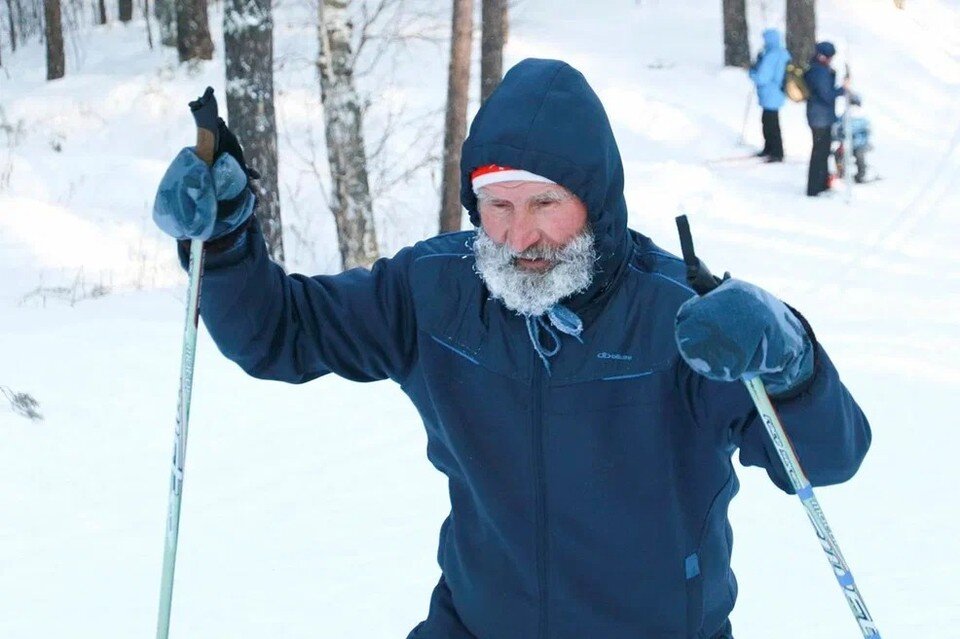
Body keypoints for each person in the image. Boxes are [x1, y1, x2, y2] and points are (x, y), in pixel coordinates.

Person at [153, 59, 871, 639]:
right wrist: (221, 246)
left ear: (597, 199)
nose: (520, 235)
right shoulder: (434, 290)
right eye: (498, 204)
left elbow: (829, 459)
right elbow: (277, 333)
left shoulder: (679, 317)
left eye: (545, 203)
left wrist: (790, 358)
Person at [803, 41, 849, 196]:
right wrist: (843, 90)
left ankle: (822, 182)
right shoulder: (820, 72)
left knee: (822, 151)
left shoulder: (817, 68)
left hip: (820, 115)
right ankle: (815, 187)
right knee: (819, 152)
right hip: (820, 117)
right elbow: (827, 95)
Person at [748, 28, 791, 162]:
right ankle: (770, 148)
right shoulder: (783, 53)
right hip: (777, 92)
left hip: (770, 93)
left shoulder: (771, 55)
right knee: (770, 121)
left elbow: (763, 77)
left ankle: (776, 152)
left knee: (770, 123)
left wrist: (752, 73)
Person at [834, 93, 874, 183]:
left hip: (855, 144)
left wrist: (840, 138)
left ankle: (846, 172)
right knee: (843, 155)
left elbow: (838, 129)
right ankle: (858, 174)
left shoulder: (858, 116)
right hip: (854, 144)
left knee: (841, 155)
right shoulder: (851, 116)